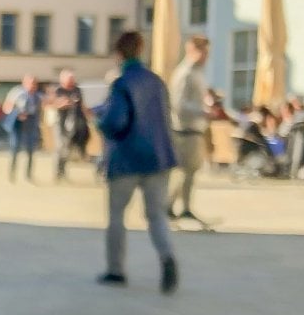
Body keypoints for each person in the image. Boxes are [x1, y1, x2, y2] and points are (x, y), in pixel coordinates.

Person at [96, 30, 179, 294]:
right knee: (156, 216)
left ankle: (116, 270)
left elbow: (115, 121)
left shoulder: (121, 84)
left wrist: (100, 120)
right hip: (158, 157)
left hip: (127, 159)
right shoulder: (157, 82)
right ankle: (167, 257)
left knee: (117, 216)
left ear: (119, 54)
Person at [168, 36, 209, 222]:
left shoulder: (197, 73)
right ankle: (170, 206)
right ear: (193, 50)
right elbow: (178, 103)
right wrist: (202, 111)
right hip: (184, 129)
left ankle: (181, 207)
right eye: (204, 51)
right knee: (183, 170)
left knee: (189, 170)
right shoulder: (184, 73)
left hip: (194, 128)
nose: (207, 56)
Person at [1, 75, 41, 182]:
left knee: (31, 149)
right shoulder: (17, 92)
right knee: (15, 148)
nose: (32, 86)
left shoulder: (37, 95)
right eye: (30, 83)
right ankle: (12, 174)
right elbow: (7, 106)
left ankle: (28, 175)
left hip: (31, 123)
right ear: (24, 83)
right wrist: (15, 113)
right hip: (18, 123)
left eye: (34, 84)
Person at [51, 69, 89, 180]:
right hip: (60, 123)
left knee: (67, 148)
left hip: (74, 123)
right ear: (62, 80)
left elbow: (82, 105)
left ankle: (63, 172)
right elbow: (53, 104)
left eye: (72, 79)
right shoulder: (58, 90)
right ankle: (58, 172)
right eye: (69, 80)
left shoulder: (77, 90)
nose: (71, 82)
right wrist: (63, 104)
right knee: (60, 147)